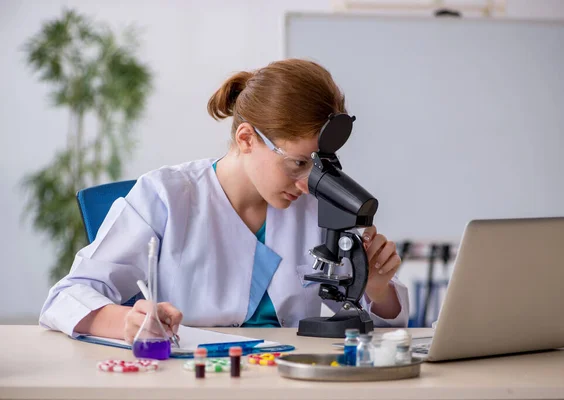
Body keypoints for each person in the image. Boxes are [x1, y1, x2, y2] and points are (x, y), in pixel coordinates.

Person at [39, 59, 409, 343]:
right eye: (297, 163)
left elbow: (375, 328)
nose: (306, 183)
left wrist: (376, 288)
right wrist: (127, 322)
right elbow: (67, 295)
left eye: (318, 166)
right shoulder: (166, 195)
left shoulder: (315, 207)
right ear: (247, 138)